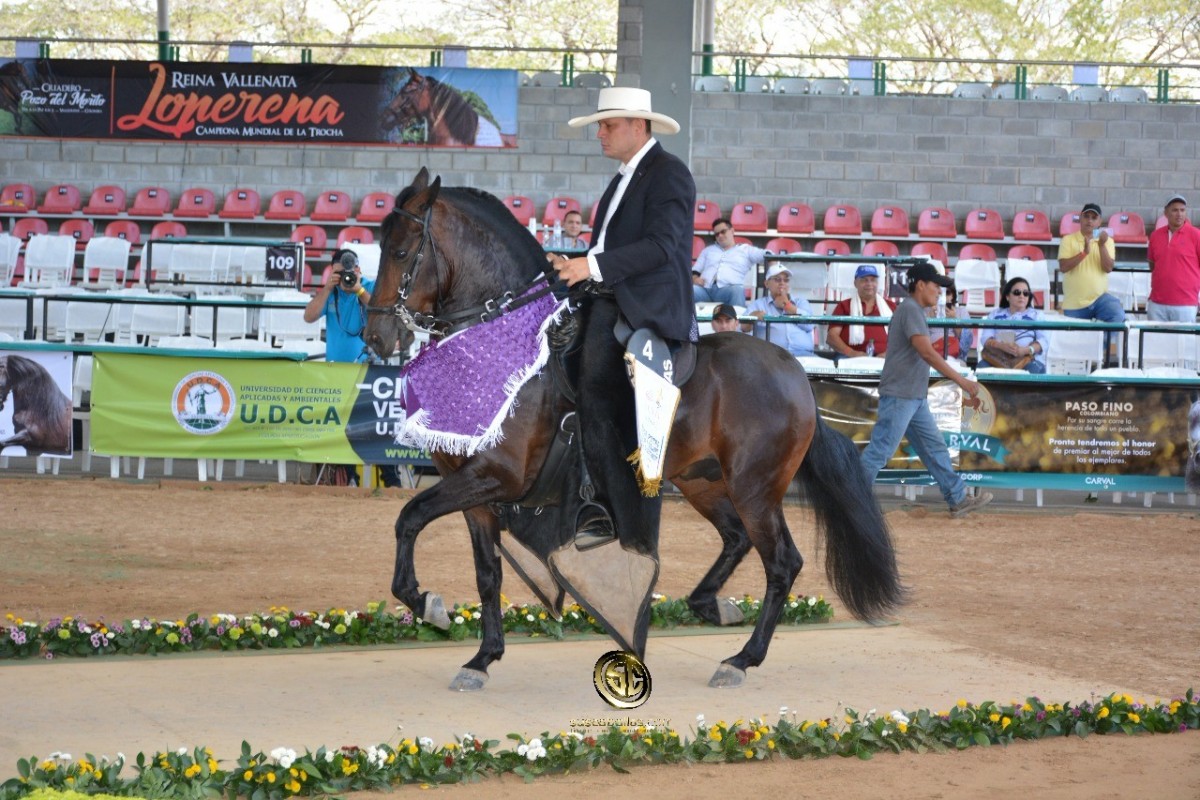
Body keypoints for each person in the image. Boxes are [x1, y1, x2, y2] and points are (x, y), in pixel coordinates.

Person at [553, 87, 696, 551]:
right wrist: (574, 264)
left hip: (646, 309)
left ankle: (608, 513)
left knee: (595, 391)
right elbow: (606, 251)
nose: (600, 133)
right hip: (611, 297)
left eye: (608, 125)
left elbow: (662, 247)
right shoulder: (623, 179)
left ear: (639, 125)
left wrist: (589, 267)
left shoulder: (669, 175)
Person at [860, 263, 993, 518]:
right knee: (882, 450)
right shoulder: (911, 309)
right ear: (920, 284)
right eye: (936, 286)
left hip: (911, 395)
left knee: (932, 449)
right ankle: (849, 500)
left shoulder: (913, 310)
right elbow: (927, 352)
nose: (939, 292)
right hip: (903, 394)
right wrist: (962, 381)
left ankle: (957, 498)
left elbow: (926, 352)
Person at [1057, 202, 1124, 361]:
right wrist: (1084, 253)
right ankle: (1083, 358)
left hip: (1099, 298)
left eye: (1094, 218)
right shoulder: (1068, 239)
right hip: (1074, 303)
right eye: (1086, 216)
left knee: (1117, 315)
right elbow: (1063, 267)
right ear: (1080, 218)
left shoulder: (1107, 240)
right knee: (1073, 345)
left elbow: (1108, 268)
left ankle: (1095, 349)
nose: (1090, 221)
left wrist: (1100, 245)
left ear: (1100, 222)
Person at [303, 248, 375, 363]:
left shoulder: (370, 287)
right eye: (339, 273)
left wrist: (359, 291)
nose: (345, 277)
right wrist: (327, 288)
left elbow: (382, 311)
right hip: (335, 369)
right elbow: (308, 317)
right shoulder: (330, 292)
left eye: (348, 272)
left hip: (368, 368)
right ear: (332, 272)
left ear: (358, 270)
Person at [976, 277, 1049, 373]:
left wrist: (1025, 350)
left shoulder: (1037, 315)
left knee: (1035, 370)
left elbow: (1043, 341)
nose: (1022, 296)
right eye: (1017, 292)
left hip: (1026, 360)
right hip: (998, 359)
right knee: (981, 368)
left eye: (1026, 293)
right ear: (1007, 296)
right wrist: (1001, 346)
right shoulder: (995, 314)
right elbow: (985, 339)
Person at [1146, 194, 1200, 322]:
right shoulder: (1155, 236)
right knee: (1154, 341)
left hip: (1185, 304)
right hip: (1157, 303)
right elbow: (1152, 265)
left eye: (1182, 210)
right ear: (1166, 213)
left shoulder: (1196, 235)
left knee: (1183, 341)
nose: (1179, 214)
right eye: (1175, 210)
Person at [743, 263, 815, 356]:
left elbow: (810, 326)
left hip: (803, 354)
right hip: (772, 356)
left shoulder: (800, 302)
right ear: (766, 283)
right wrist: (753, 318)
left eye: (786, 280)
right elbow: (743, 328)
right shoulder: (758, 304)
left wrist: (788, 307)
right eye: (777, 279)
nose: (782, 283)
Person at [691, 217, 766, 306]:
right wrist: (695, 279)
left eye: (723, 232)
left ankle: (737, 320)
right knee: (688, 290)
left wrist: (772, 262)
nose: (720, 236)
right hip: (705, 290)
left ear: (732, 231)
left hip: (727, 290)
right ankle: (684, 320)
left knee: (737, 290)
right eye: (717, 234)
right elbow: (695, 270)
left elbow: (766, 254)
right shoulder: (708, 250)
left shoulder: (745, 249)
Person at [827, 264, 894, 358]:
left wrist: (889, 355)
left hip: (887, 358)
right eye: (864, 280)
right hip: (849, 357)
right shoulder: (844, 306)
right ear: (855, 283)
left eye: (873, 280)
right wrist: (852, 353)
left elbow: (903, 337)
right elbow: (831, 337)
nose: (869, 284)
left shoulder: (890, 306)